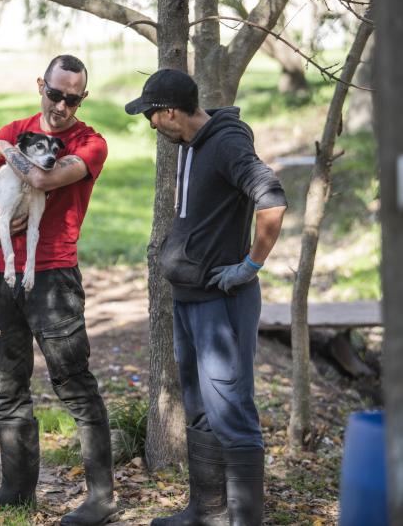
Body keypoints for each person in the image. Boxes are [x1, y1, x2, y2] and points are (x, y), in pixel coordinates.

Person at [0, 55, 118, 526]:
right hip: (4, 275)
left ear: (81, 99)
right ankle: (16, 490)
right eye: (55, 93)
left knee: (74, 385)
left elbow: (43, 178)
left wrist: (1, 149)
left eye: (73, 97)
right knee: (7, 386)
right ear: (40, 86)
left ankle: (101, 497)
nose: (62, 105)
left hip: (54, 278)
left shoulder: (90, 144)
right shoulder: (16, 129)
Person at [124, 68, 287, 526]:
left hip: (221, 303)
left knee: (231, 409)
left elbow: (271, 200)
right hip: (190, 298)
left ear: (170, 112)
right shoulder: (191, 143)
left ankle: (244, 520)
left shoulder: (227, 143)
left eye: (151, 116)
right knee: (200, 408)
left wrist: (250, 265)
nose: (151, 125)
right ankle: (207, 511)